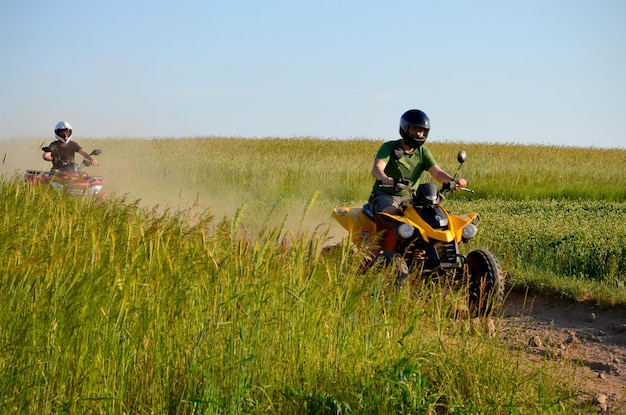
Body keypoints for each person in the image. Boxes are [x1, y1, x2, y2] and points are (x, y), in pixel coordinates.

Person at [368, 109, 467, 254]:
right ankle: (378, 252)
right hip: (385, 195)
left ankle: (438, 254)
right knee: (391, 213)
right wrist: (386, 179)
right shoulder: (389, 147)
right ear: (404, 129)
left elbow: (437, 172)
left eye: (422, 131)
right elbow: (377, 168)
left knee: (438, 216)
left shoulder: (423, 152)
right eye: (415, 130)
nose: (419, 134)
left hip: (411, 198)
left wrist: (454, 181)